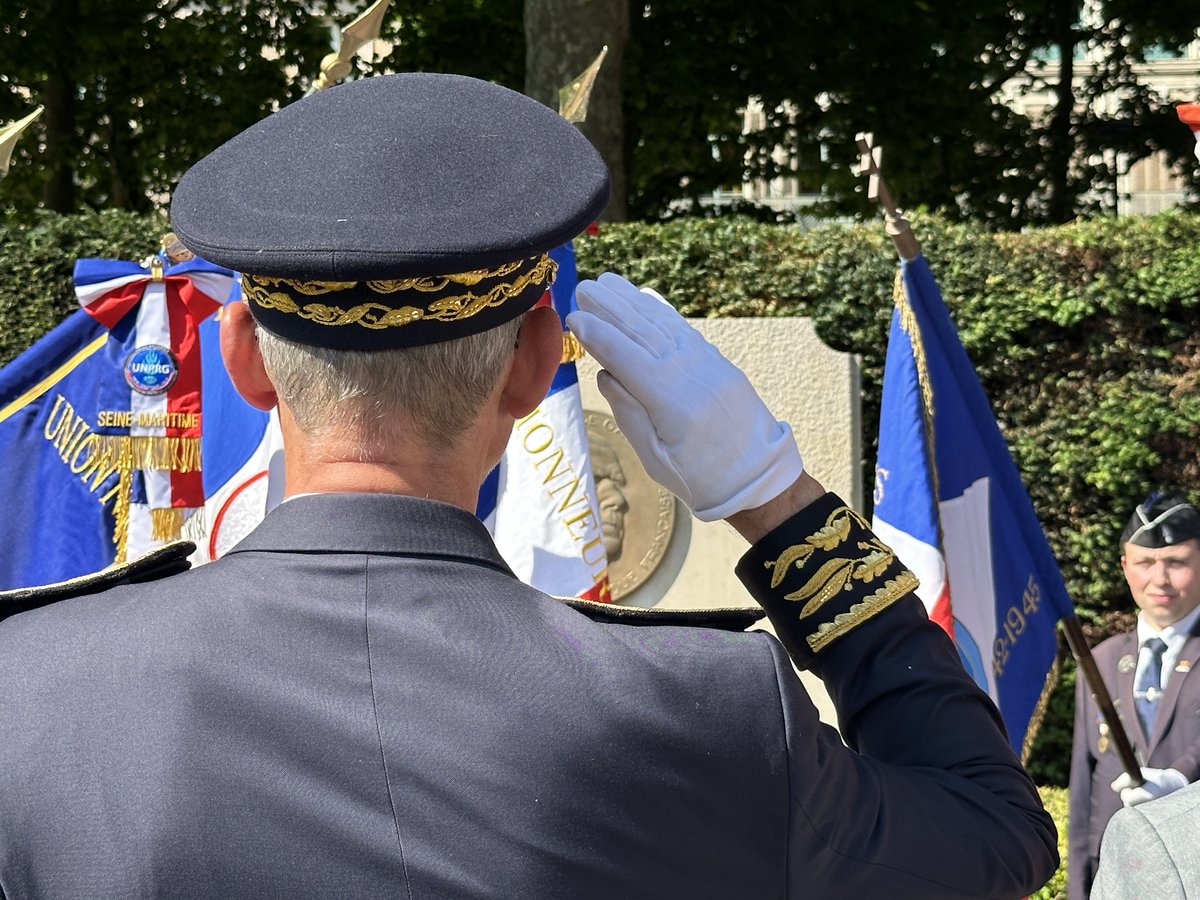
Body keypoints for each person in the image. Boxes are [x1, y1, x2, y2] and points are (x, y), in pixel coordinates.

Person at [0, 73, 1056, 899]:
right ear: (533, 363)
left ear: (241, 358)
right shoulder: (709, 714)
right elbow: (994, 833)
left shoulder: (28, 686)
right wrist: (778, 502)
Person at [1068, 491, 1200, 900]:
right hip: (1115, 877)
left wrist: (1181, 779)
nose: (1160, 579)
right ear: (1125, 567)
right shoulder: (1102, 661)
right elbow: (1083, 789)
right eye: (1145, 563)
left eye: (1176, 562)